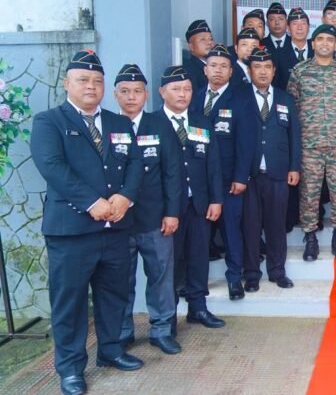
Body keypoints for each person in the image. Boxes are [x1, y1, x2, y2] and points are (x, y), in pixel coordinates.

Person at [31, 50, 145, 395]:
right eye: (83, 80)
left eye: (97, 81)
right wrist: (92, 202)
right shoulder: (49, 121)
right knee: (71, 303)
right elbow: (52, 166)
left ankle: (110, 351)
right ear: (67, 83)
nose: (91, 86)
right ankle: (70, 368)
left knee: (114, 295)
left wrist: (126, 196)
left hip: (115, 227)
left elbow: (136, 163)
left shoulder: (119, 123)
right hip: (72, 231)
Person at [113, 64, 183, 356]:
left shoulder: (159, 124)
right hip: (118, 221)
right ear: (115, 95)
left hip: (155, 218)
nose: (131, 97)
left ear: (147, 95)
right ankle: (122, 333)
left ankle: (162, 330)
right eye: (125, 91)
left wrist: (172, 212)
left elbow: (173, 172)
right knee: (120, 280)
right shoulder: (108, 125)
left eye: (137, 91)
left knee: (160, 277)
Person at [158, 66, 225, 330]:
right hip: (167, 209)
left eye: (187, 89)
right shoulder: (153, 123)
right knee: (170, 262)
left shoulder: (202, 122)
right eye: (176, 89)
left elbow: (213, 164)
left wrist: (216, 199)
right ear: (162, 92)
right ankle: (168, 316)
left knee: (198, 258)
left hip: (198, 203)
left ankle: (198, 308)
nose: (182, 94)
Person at [288, 24, 336, 261]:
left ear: (335, 44)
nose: (325, 43)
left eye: (330, 39)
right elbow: (293, 108)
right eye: (321, 39)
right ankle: (310, 239)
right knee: (309, 193)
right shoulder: (300, 71)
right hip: (309, 145)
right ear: (313, 43)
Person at [191, 44, 252, 299]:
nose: (218, 70)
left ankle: (235, 278)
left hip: (228, 179)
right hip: (198, 179)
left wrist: (241, 176)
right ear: (205, 70)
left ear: (231, 71)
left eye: (224, 66)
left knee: (231, 230)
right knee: (198, 234)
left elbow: (246, 142)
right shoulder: (194, 97)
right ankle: (197, 282)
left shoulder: (241, 99)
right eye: (213, 65)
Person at [241, 47, 301, 292]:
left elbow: (294, 135)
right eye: (257, 67)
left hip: (278, 172)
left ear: (274, 71)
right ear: (249, 71)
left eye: (267, 67)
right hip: (249, 175)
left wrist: (294, 167)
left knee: (277, 225)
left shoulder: (286, 99)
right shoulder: (240, 98)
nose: (263, 72)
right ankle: (252, 274)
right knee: (251, 227)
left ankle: (277, 271)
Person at [273, 7, 314, 90]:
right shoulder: (278, 54)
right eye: (295, 24)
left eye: (303, 23)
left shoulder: (316, 51)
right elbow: (275, 87)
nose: (300, 27)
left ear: (308, 27)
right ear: (288, 28)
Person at [182, 19, 214, 91]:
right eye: (203, 39)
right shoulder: (189, 71)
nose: (209, 42)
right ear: (191, 46)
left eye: (211, 39)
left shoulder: (215, 67)